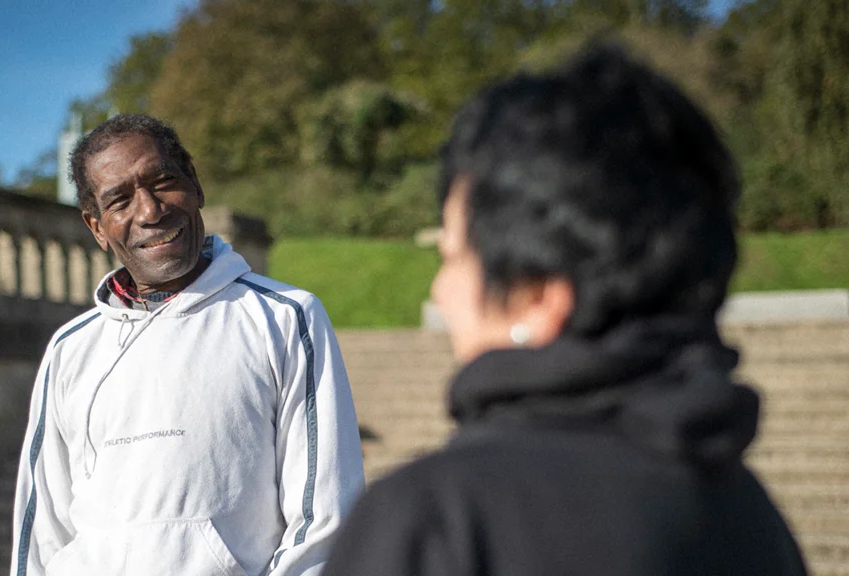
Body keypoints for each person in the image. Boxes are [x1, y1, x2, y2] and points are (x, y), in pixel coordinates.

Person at [322, 46, 807, 576]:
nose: (441, 291)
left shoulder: (436, 518)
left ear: (539, 294)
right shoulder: (750, 512)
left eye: (453, 257)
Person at [9, 114, 364, 576]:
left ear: (195, 185)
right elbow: (42, 537)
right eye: (119, 200)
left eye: (163, 181)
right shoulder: (69, 349)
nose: (150, 211)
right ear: (96, 227)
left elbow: (326, 520)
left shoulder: (285, 318)